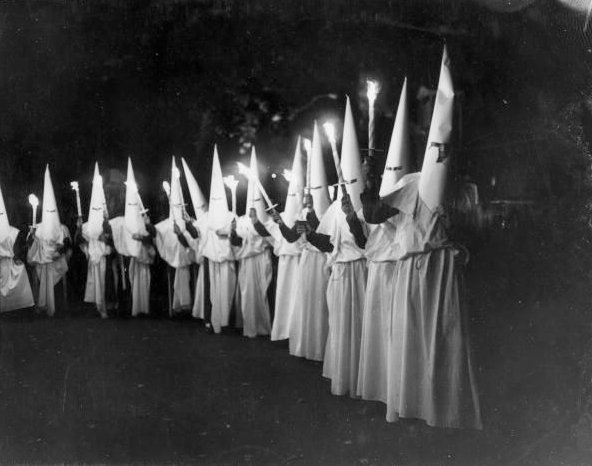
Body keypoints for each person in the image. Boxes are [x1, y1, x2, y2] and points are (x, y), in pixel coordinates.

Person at [381, 47, 482, 429]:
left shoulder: (464, 190)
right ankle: (411, 402)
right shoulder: (410, 182)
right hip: (415, 268)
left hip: (444, 270)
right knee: (413, 334)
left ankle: (443, 407)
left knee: (443, 333)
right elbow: (379, 212)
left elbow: (472, 229)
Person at [357, 79, 410, 403]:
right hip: (382, 265)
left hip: (396, 266)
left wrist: (367, 183)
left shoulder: (408, 188)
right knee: (380, 329)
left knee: (394, 328)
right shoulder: (397, 189)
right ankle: (382, 385)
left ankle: (395, 388)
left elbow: (375, 213)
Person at [316, 97, 368, 397]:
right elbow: (326, 241)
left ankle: (361, 379)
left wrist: (352, 217)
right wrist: (308, 234)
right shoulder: (335, 207)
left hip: (360, 271)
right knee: (340, 323)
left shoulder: (366, 205)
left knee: (360, 323)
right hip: (339, 273)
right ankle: (342, 377)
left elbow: (364, 242)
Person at [286, 122, 332, 361]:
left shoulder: (329, 213)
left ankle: (321, 347)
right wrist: (281, 222)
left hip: (321, 260)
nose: (310, 199)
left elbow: (323, 233)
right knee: (307, 300)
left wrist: (310, 216)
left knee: (321, 301)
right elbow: (291, 236)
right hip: (307, 261)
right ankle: (307, 344)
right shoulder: (303, 214)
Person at [191, 146, 239, 333]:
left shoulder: (231, 216)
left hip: (226, 260)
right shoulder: (205, 218)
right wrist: (187, 224)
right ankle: (211, 321)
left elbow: (237, 238)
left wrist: (231, 231)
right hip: (210, 260)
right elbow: (196, 233)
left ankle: (227, 322)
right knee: (211, 292)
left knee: (227, 291)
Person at [264, 137, 306, 341]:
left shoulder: (304, 215)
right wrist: (278, 221)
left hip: (302, 260)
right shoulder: (287, 214)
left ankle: (298, 331)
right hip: (286, 260)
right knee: (285, 295)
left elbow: (295, 235)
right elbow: (283, 236)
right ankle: (284, 329)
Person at [231, 147, 273, 338]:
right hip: (247, 262)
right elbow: (237, 242)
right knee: (248, 294)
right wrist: (233, 231)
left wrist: (257, 223)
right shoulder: (241, 221)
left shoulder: (267, 221)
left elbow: (270, 237)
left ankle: (265, 326)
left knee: (263, 293)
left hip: (262, 261)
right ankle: (249, 327)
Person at [110, 158, 156, 317]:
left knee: (144, 281)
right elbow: (112, 230)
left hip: (143, 257)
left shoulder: (144, 219)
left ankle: (144, 308)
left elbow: (152, 236)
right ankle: (130, 308)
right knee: (129, 281)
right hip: (129, 258)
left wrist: (145, 231)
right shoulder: (121, 220)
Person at [27, 165, 72, 316]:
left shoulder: (62, 228)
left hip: (57, 262)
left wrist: (58, 253)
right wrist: (32, 236)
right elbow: (31, 245)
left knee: (55, 270)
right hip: (41, 262)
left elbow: (67, 246)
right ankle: (40, 305)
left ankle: (58, 305)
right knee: (40, 270)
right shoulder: (38, 227)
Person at [155, 157, 197, 315]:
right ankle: (178, 307)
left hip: (188, 258)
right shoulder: (167, 224)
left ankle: (188, 307)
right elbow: (157, 233)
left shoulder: (189, 221)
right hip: (173, 259)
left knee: (188, 280)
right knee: (175, 281)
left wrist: (185, 228)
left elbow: (195, 236)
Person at [76, 163, 115, 318]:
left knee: (106, 282)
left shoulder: (107, 224)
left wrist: (105, 236)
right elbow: (80, 240)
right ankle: (97, 306)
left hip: (105, 257)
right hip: (92, 258)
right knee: (95, 282)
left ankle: (106, 306)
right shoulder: (87, 226)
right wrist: (79, 229)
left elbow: (112, 241)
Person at [0, 181, 34, 313]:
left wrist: (20, 253)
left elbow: (17, 250)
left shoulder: (12, 231)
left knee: (20, 272)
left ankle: (17, 308)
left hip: (9, 263)